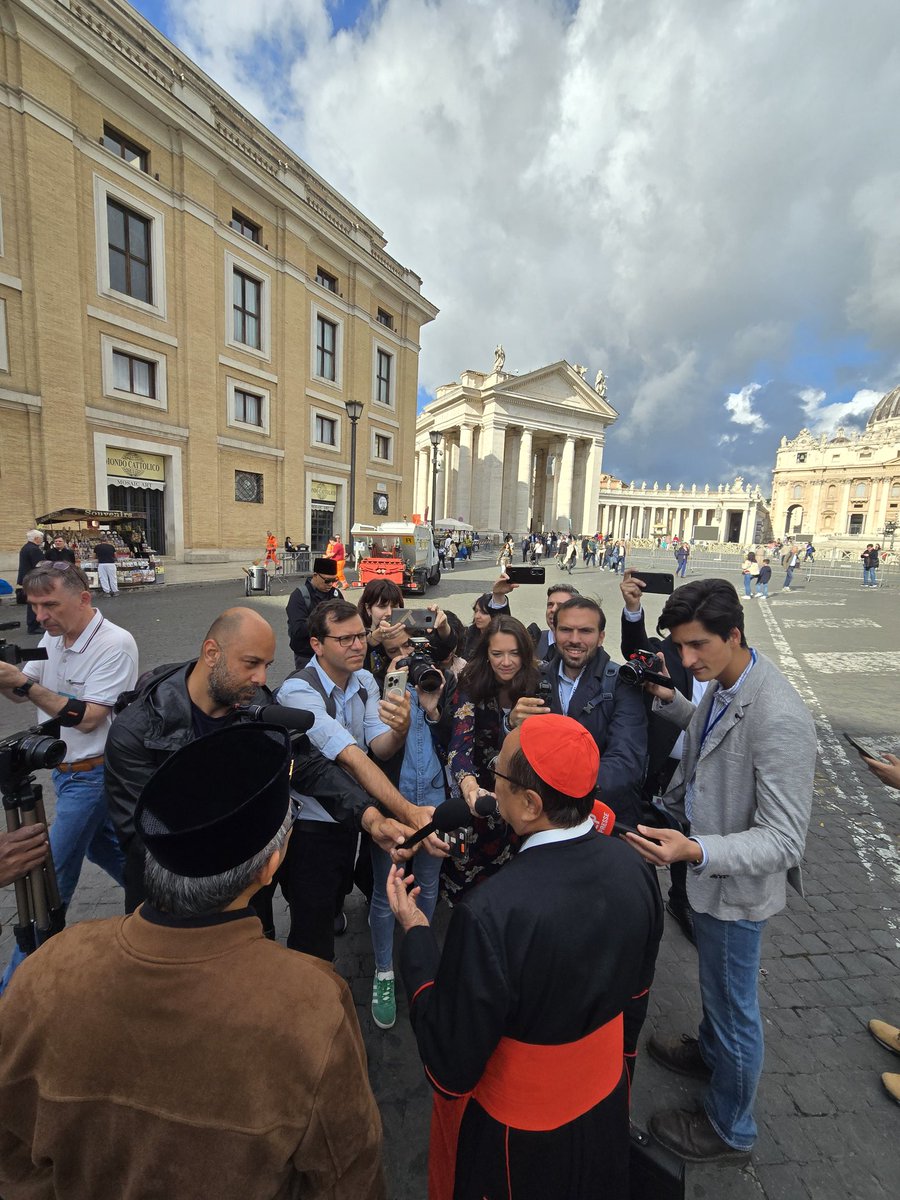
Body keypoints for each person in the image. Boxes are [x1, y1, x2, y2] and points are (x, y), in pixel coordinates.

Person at [0, 725, 386, 1200]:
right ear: (270, 867)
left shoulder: (50, 966)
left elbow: (13, 1156)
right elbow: (349, 1177)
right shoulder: (311, 1003)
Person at [388, 715, 663, 1200]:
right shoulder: (636, 869)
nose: (490, 784)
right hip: (605, 1105)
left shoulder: (489, 913)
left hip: (518, 1145)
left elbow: (449, 1064)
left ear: (531, 804)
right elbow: (635, 997)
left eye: (499, 774)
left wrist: (415, 933)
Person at [623, 578, 816, 1163]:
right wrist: (671, 698)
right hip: (706, 872)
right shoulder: (728, 681)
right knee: (717, 988)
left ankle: (731, 1129)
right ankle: (711, 1053)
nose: (686, 660)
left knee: (735, 1008)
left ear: (734, 634)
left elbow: (785, 840)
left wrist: (695, 851)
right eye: (680, 646)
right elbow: (707, 733)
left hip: (733, 889)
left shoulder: (779, 715)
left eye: (697, 645)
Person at [276, 599, 443, 961]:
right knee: (311, 925)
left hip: (351, 818)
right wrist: (409, 811)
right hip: (310, 825)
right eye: (345, 639)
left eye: (360, 636)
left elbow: (379, 747)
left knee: (337, 890)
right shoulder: (298, 692)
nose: (357, 645)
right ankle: (314, 982)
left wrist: (400, 730)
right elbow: (349, 757)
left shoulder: (365, 680)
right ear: (317, 645)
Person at [0, 561, 138, 992]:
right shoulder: (54, 636)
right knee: (105, 848)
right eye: (34, 605)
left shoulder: (115, 643)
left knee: (48, 876)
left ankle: (13, 992)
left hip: (94, 776)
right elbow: (23, 690)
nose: (40, 616)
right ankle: (168, 907)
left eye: (50, 605)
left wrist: (23, 685)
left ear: (84, 598)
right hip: (63, 774)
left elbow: (89, 717)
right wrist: (7, 677)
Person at [619, 569, 708, 943]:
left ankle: (682, 898)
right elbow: (636, 649)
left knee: (693, 830)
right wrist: (633, 609)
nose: (689, 657)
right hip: (664, 762)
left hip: (702, 763)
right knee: (654, 827)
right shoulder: (668, 650)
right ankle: (642, 893)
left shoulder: (726, 661)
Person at [509, 596, 647, 828]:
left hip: (601, 818)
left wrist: (562, 793)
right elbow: (515, 752)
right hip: (543, 819)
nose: (574, 639)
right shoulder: (534, 678)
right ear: (554, 632)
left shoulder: (621, 683)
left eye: (585, 631)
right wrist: (510, 724)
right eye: (566, 630)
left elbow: (626, 761)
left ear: (601, 637)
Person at [443, 615, 539, 904]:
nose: (506, 662)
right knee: (468, 889)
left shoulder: (539, 682)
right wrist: (470, 787)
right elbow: (459, 745)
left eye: (514, 653)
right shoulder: (471, 682)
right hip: (480, 798)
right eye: (497, 654)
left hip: (522, 799)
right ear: (486, 653)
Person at [286, 556, 343, 668]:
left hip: (332, 653)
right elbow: (298, 630)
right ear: (315, 575)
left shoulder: (336, 594)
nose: (330, 584)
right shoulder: (299, 595)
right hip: (307, 655)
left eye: (334, 580)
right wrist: (324, 620)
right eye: (327, 580)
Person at [526, 582, 579, 661]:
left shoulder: (583, 646)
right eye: (550, 605)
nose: (553, 610)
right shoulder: (533, 641)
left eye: (561, 605)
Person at [16, 529, 46, 633]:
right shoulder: (34, 549)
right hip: (33, 578)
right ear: (36, 538)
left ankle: (34, 624)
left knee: (33, 600)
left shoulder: (26, 547)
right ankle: (33, 626)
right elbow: (39, 565)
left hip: (27, 578)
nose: (42, 540)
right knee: (34, 601)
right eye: (41, 538)